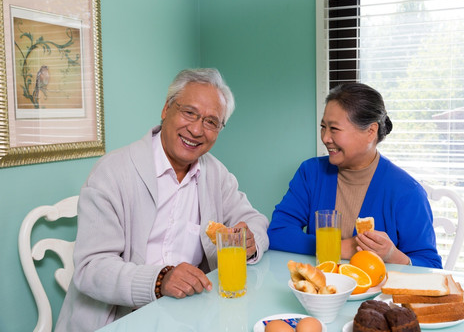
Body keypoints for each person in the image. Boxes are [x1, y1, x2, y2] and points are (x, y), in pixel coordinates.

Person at [56, 68, 269, 331]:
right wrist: (160, 280)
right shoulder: (112, 172)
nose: (196, 129)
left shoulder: (215, 172)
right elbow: (91, 269)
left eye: (211, 122)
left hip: (188, 313)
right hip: (118, 318)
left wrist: (250, 240)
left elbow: (253, 219)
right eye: (189, 113)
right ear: (166, 109)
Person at [267, 83, 442, 268]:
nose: (325, 137)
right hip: (320, 292)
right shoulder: (310, 173)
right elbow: (278, 232)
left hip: (377, 295)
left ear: (370, 132)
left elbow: (430, 267)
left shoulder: (407, 192)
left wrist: (392, 255)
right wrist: (339, 248)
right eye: (323, 127)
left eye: (334, 129)